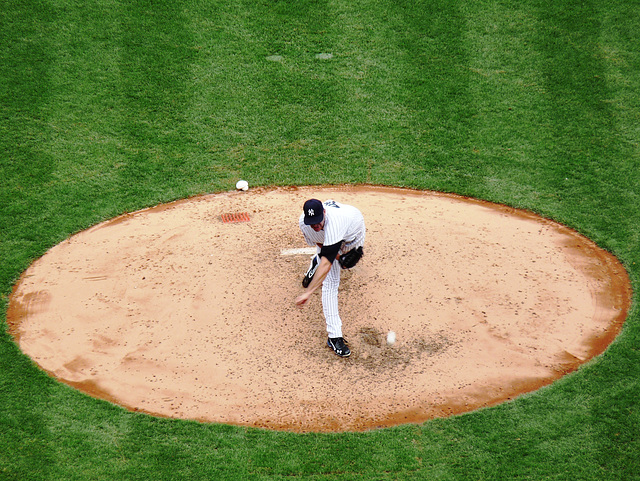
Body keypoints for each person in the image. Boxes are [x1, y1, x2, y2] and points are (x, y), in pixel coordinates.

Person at [295, 198, 366, 357]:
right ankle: (334, 336)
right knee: (330, 284)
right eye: (311, 222)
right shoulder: (304, 224)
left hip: (352, 236)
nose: (315, 225)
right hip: (331, 242)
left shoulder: (337, 221)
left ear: (324, 212)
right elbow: (321, 243)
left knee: (347, 263)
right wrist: (331, 257)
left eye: (318, 221)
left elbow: (327, 262)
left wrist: (308, 292)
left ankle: (317, 262)